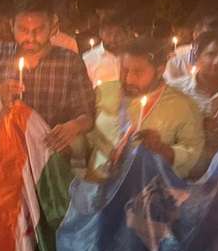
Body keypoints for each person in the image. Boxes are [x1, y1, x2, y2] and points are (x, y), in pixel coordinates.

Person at [0, 0, 95, 155]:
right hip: (4, 155)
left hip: (50, 155)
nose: (31, 37)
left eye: (39, 29)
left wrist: (74, 126)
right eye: (23, 29)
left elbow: (86, 114)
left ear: (52, 27)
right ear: (11, 25)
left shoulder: (70, 63)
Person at [87, 37, 205, 179]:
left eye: (138, 72)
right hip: (98, 186)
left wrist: (162, 149)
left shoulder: (183, 106)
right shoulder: (103, 94)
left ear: (160, 70)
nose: (129, 79)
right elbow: (87, 139)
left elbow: (193, 153)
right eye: (124, 70)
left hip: (152, 190)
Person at [168, 29, 218, 178]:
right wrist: (197, 127)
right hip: (180, 175)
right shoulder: (175, 91)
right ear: (198, 57)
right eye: (211, 54)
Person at [163, 14, 218, 82]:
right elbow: (168, 82)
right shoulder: (178, 55)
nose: (209, 41)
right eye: (205, 36)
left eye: (213, 36)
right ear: (195, 34)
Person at [82, 12, 130, 85]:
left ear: (125, 34)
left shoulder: (133, 58)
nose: (113, 39)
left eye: (118, 34)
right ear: (100, 33)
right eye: (109, 33)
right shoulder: (88, 59)